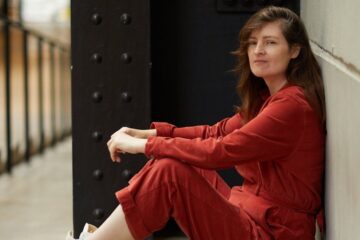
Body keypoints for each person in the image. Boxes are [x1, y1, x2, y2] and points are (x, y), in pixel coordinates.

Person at [67, 5, 326, 240]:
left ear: (295, 50)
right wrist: (149, 134)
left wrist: (144, 146)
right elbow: (214, 132)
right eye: (252, 42)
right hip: (249, 212)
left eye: (270, 43)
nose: (258, 51)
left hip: (271, 233)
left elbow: (222, 150)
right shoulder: (266, 100)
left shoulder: (291, 107)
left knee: (170, 173)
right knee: (173, 162)